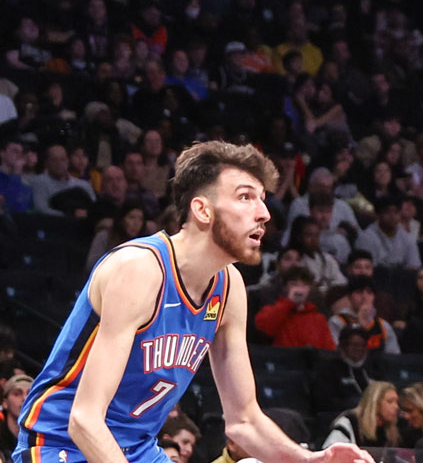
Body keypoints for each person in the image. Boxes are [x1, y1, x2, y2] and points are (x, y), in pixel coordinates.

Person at [12, 140, 374, 463]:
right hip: (59, 442)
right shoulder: (140, 270)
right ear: (202, 210)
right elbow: (84, 420)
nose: (264, 212)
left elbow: (244, 420)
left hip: (137, 448)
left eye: (263, 199)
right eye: (246, 196)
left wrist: (311, 460)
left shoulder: (229, 285)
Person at [254, 266, 337, 351]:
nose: (299, 289)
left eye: (304, 285)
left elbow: (329, 349)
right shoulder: (273, 310)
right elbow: (263, 328)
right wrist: (289, 302)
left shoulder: (319, 319)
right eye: (294, 284)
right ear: (285, 288)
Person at [327, 277, 400, 355]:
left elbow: (394, 356)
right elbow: (335, 353)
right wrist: (359, 325)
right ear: (350, 297)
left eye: (369, 292)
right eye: (359, 292)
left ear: (374, 297)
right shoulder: (337, 322)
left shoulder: (383, 325)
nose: (364, 297)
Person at [322, 381, 401, 447]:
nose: (396, 407)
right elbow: (329, 454)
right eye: (390, 401)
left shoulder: (391, 434)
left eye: (397, 402)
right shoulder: (350, 423)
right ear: (374, 404)